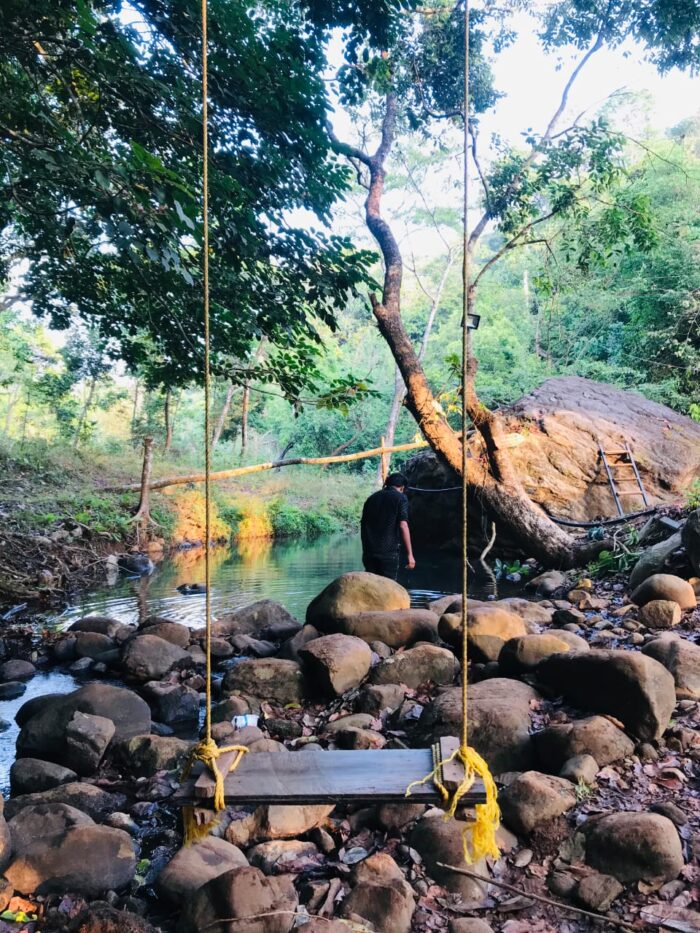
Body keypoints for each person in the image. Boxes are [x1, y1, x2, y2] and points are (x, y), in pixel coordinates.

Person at [360, 472, 416, 580]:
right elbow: (403, 525)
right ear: (402, 487)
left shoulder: (371, 498)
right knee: (387, 589)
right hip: (388, 553)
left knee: (372, 587)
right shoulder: (401, 498)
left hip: (369, 553)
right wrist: (410, 554)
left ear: (387, 483)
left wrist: (366, 550)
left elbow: (363, 525)